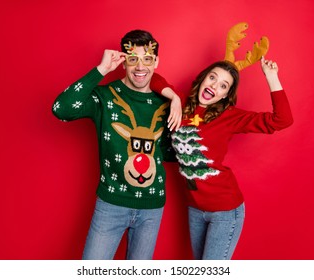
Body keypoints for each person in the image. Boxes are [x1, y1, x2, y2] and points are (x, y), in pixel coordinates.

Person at [52, 30, 181, 260]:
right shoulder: (106, 96)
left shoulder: (166, 103)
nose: (140, 67)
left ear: (156, 61)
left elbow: (168, 152)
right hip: (111, 204)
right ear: (123, 62)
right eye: (133, 59)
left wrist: (178, 102)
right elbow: (61, 109)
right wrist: (101, 70)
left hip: (151, 207)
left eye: (147, 59)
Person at [151, 56, 293, 259]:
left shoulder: (229, 116)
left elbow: (282, 120)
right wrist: (173, 97)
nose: (214, 86)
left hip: (225, 211)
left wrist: (271, 77)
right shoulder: (180, 104)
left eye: (223, 85)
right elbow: (153, 78)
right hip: (195, 209)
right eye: (212, 78)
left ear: (225, 95)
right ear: (203, 79)